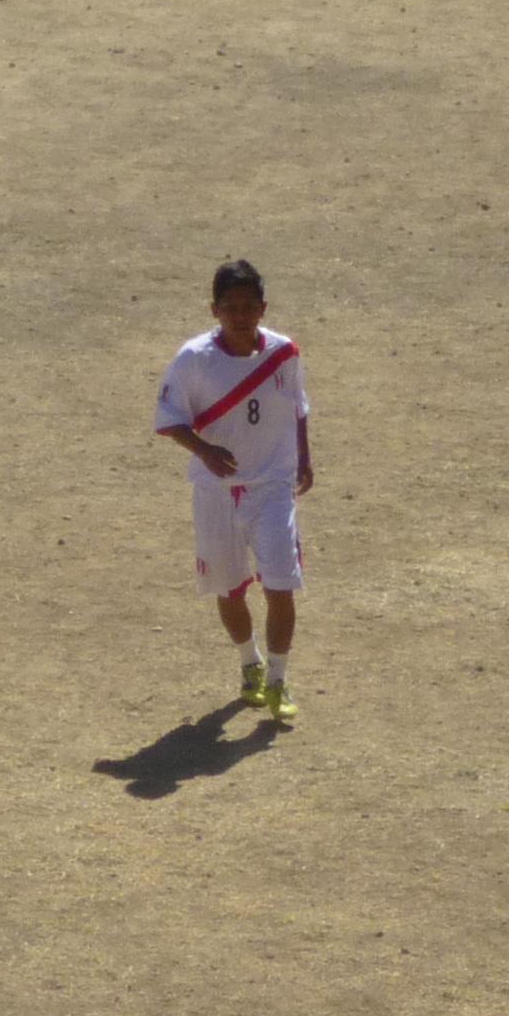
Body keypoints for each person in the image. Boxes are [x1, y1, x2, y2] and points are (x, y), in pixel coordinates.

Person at [152, 259, 314, 722]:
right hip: (216, 491)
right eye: (231, 307)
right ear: (215, 310)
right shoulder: (194, 360)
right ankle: (251, 663)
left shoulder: (283, 354)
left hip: (272, 486)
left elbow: (297, 408)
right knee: (229, 588)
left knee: (281, 584)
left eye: (249, 307)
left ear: (263, 308)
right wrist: (204, 450)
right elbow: (169, 420)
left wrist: (304, 457)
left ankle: (279, 680)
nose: (241, 316)